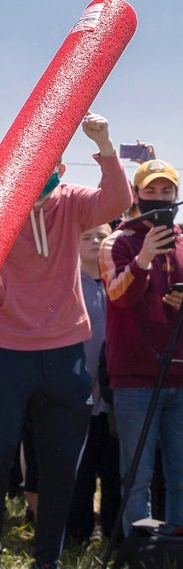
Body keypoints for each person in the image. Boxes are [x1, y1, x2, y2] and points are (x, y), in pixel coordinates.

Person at [0, 112, 131, 569]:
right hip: (4, 349)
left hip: (65, 349)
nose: (39, 173)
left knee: (61, 461)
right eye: (28, 163)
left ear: (61, 168)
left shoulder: (72, 202)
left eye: (48, 164)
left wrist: (104, 144)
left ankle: (47, 564)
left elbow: (118, 200)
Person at [100, 159, 183, 535]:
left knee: (180, 473)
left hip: (179, 373)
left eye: (167, 191)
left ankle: (175, 559)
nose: (160, 198)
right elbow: (117, 297)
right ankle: (140, 559)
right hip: (134, 378)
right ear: (136, 195)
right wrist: (144, 258)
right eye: (151, 191)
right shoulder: (117, 241)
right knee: (137, 474)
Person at [66, 222, 120, 544]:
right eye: (87, 236)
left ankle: (116, 537)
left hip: (113, 397)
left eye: (102, 236)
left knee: (114, 471)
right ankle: (76, 538)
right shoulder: (67, 283)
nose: (96, 242)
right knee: (81, 474)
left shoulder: (120, 282)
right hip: (78, 396)